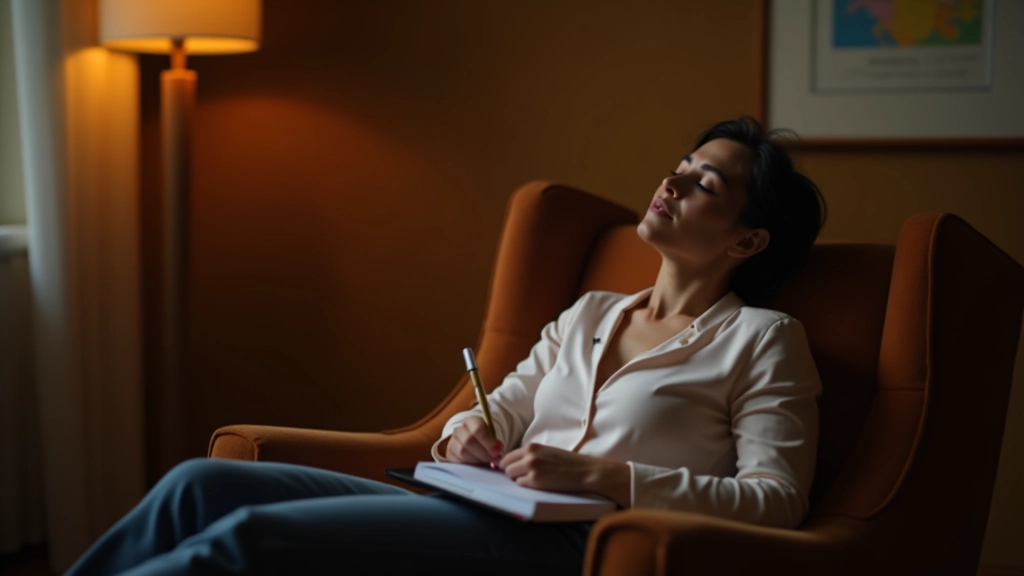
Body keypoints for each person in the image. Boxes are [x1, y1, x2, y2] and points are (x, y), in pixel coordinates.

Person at [66, 116, 826, 576]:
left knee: (255, 536)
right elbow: (502, 410)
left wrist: (604, 474)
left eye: (706, 185)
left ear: (748, 239)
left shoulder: (763, 340)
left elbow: (776, 502)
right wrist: (467, 435)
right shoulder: (590, 311)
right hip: (478, 504)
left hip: (573, 548)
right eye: (683, 166)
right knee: (200, 485)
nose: (674, 181)